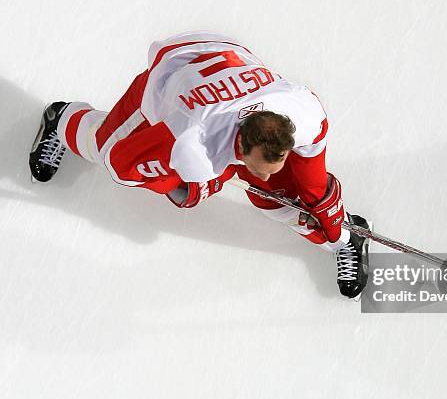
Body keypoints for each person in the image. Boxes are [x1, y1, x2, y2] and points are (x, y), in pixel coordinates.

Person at [28, 31, 370, 297]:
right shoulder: (193, 143)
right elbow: (123, 166)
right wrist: (184, 188)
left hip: (228, 60)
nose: (265, 174)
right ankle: (61, 118)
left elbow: (310, 174)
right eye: (257, 166)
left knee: (278, 193)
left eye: (273, 163)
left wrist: (330, 215)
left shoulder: (302, 112)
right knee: (104, 147)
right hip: (172, 73)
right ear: (240, 145)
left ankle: (344, 242)